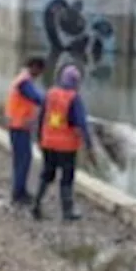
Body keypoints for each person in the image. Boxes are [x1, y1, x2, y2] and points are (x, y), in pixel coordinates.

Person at [33, 64, 98, 222]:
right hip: (67, 146)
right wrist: (90, 146)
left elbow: (41, 118)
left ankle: (36, 204)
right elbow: (81, 124)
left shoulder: (50, 94)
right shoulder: (73, 98)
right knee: (66, 178)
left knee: (47, 174)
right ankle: (67, 212)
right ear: (76, 82)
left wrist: (39, 139)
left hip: (48, 143)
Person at [6, 56, 47, 206]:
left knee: (21, 160)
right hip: (19, 127)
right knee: (24, 159)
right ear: (35, 67)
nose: (39, 75)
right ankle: (18, 194)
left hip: (18, 126)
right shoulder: (24, 82)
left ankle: (20, 190)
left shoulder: (21, 79)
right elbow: (37, 98)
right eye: (40, 71)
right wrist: (53, 101)